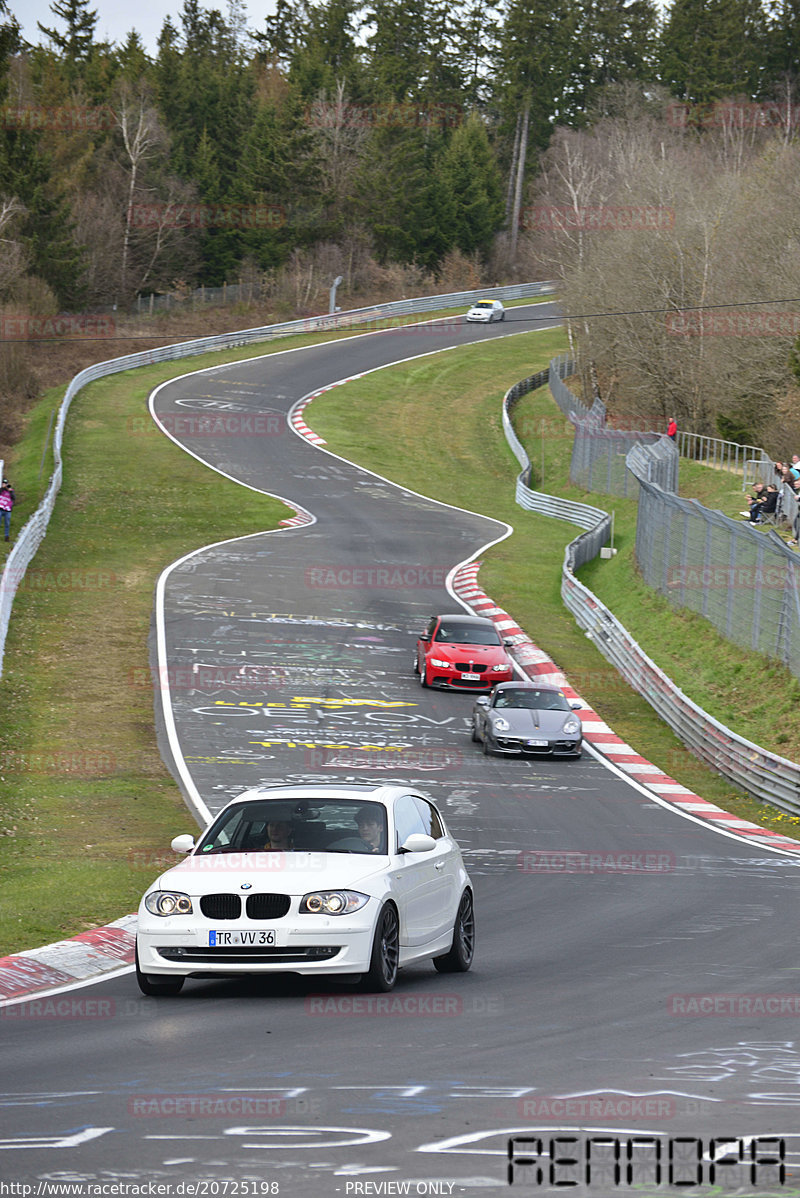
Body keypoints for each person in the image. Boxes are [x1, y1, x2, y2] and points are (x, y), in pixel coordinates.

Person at [0, 478, 14, 542]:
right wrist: (3, 488)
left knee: (7, 523)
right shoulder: (1, 490)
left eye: (5, 484)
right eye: (3, 483)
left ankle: (6, 536)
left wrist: (10, 491)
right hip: (1, 508)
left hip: (8, 510)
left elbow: (13, 498)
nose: (4, 485)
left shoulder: (11, 491)